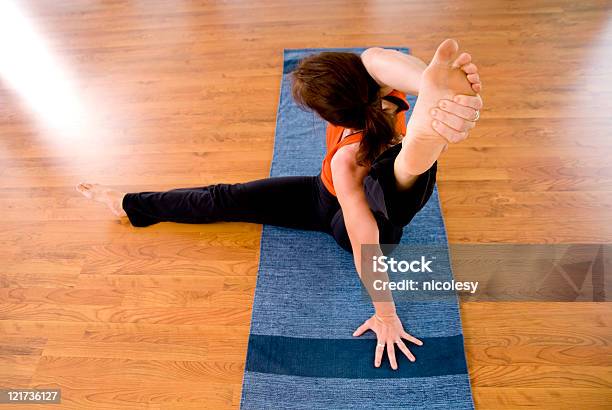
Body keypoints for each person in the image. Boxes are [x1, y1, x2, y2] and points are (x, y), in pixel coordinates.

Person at [77, 39, 483, 370]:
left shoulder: (347, 158)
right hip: (321, 196)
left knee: (394, 181)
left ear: (329, 112)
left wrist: (388, 316)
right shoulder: (376, 84)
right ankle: (132, 205)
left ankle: (423, 139)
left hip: (376, 215)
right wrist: (421, 81)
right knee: (229, 197)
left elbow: (366, 242)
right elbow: (377, 59)